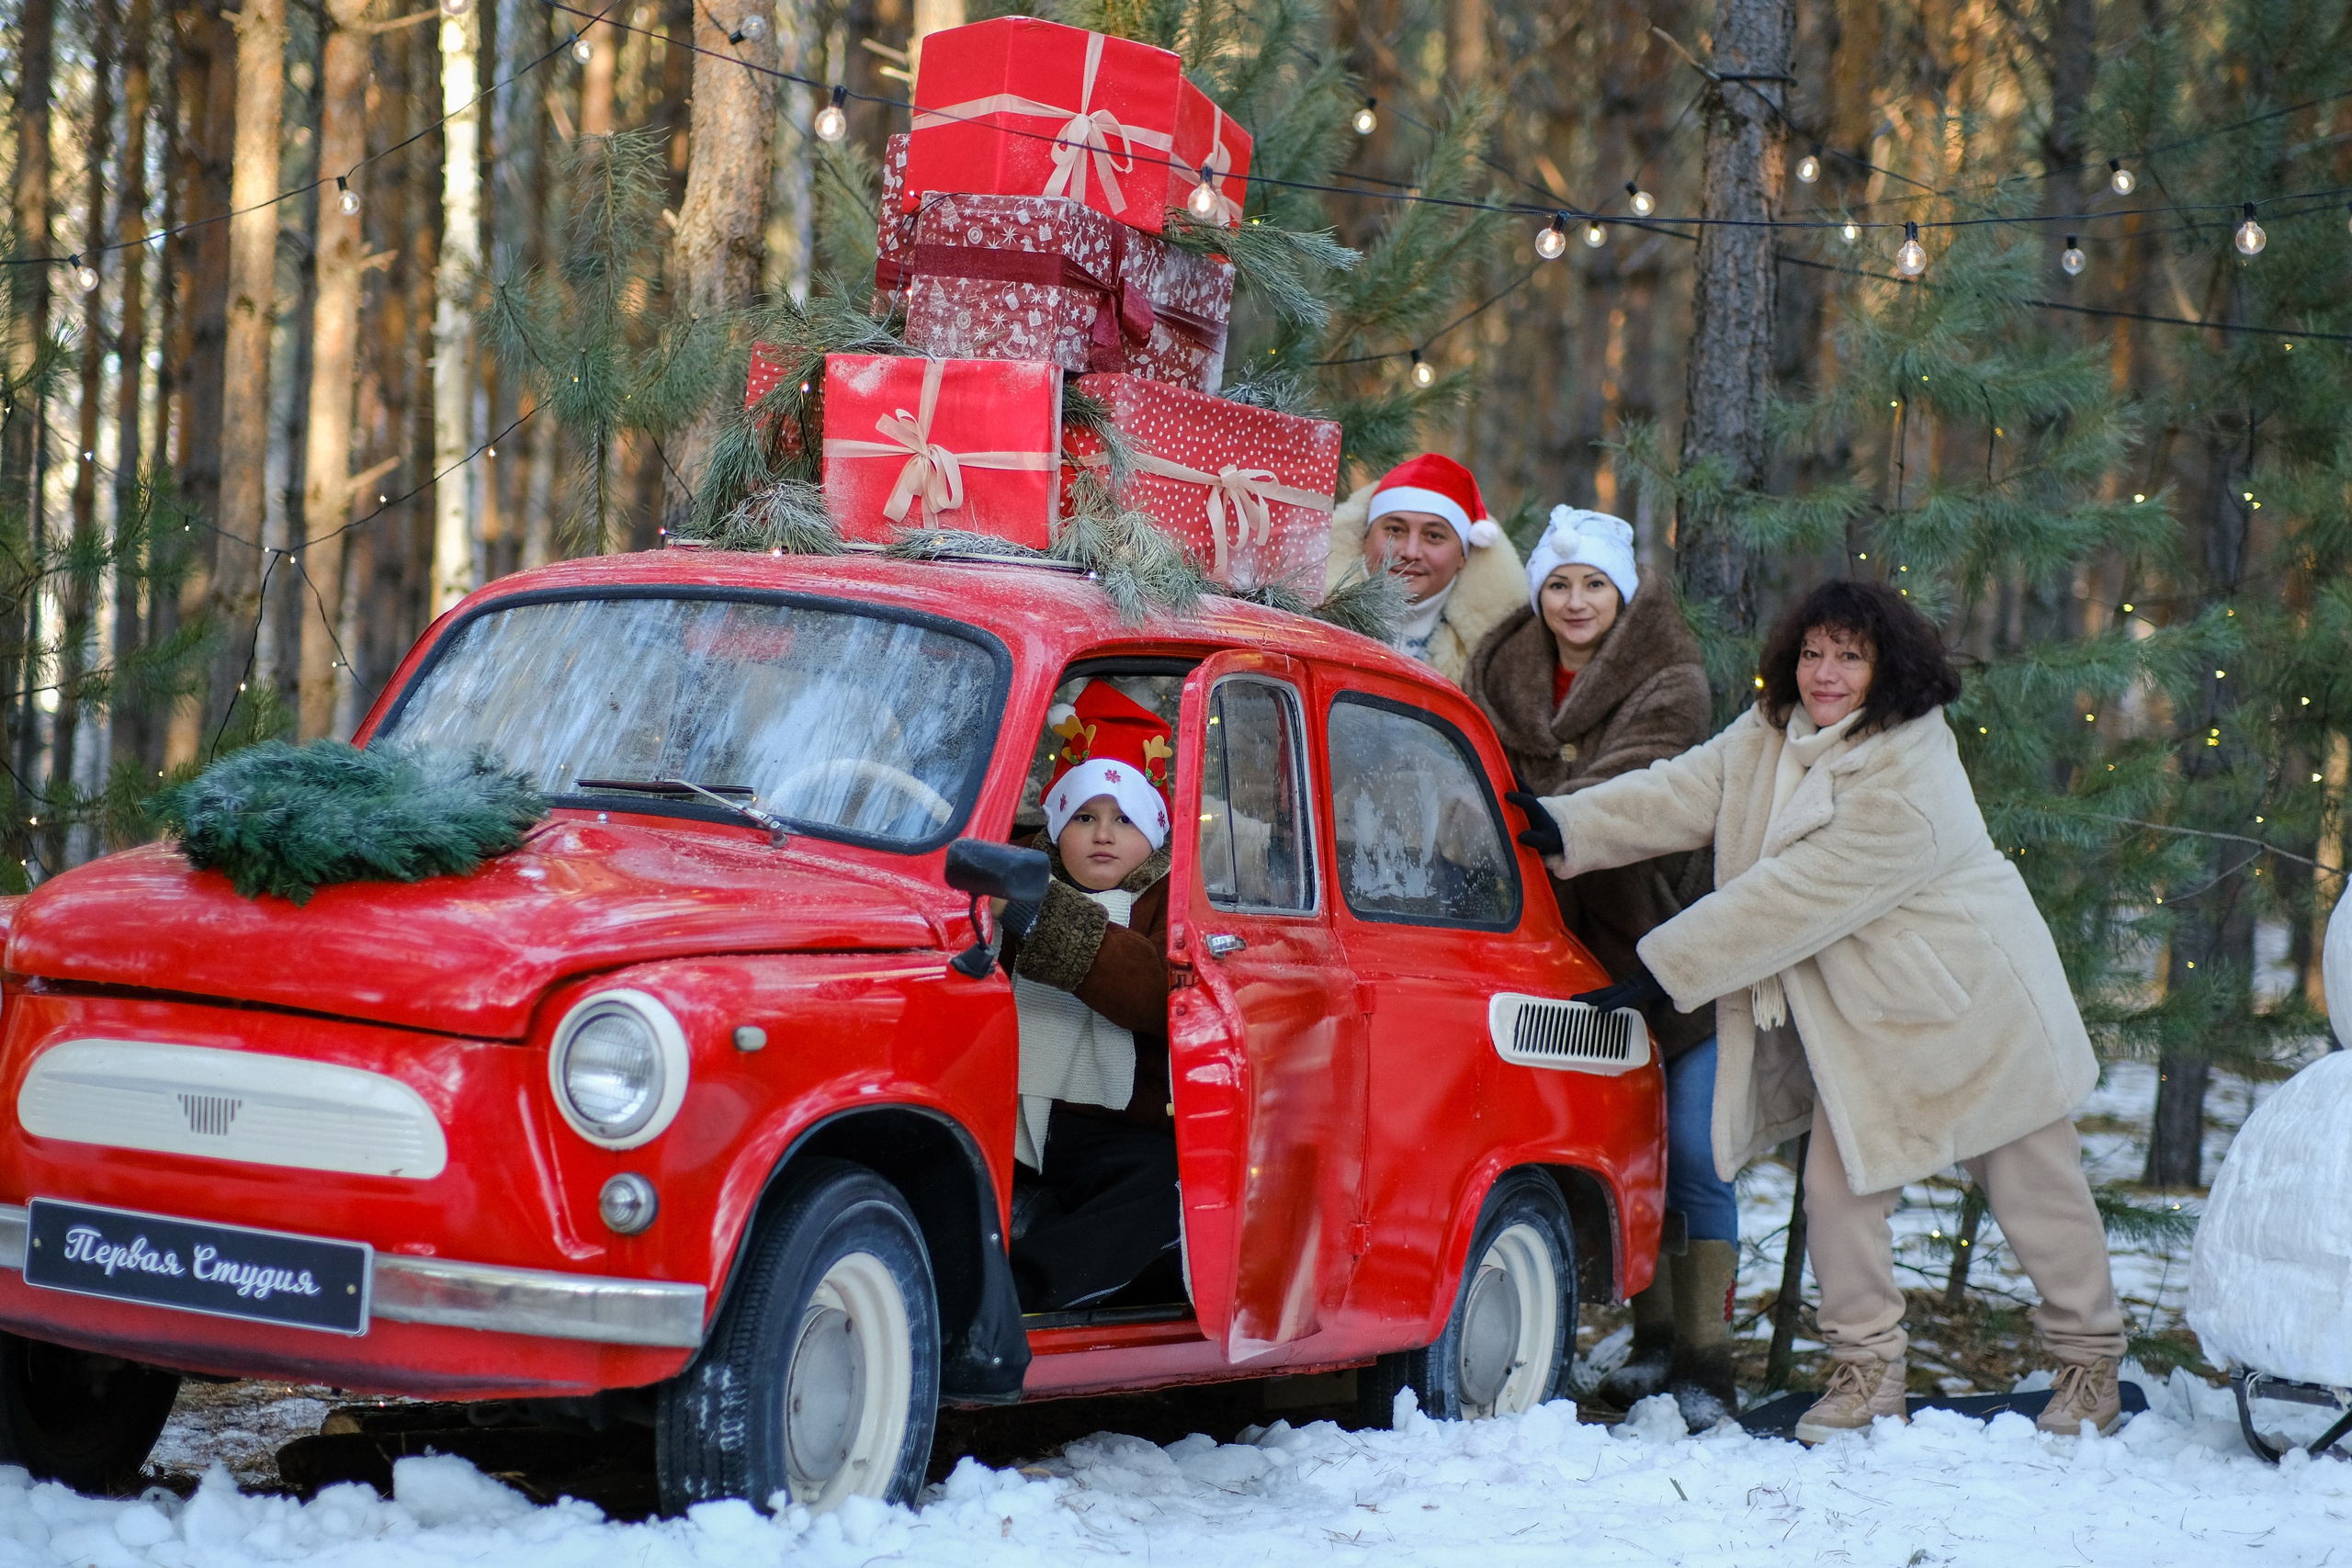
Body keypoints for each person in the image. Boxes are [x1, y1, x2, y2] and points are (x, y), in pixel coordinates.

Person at [1511, 580, 2127, 1442]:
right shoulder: (1772, 733)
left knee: (2035, 1190)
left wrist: (1662, 970)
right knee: (1837, 1193)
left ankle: (2090, 1366)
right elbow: (1680, 791)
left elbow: (1795, 896)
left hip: (1976, 1007)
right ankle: (1868, 1369)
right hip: (1869, 1025)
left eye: (1849, 655)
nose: (1824, 673)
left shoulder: (1912, 762)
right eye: (1812, 652)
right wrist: (1561, 825)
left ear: (1888, 667)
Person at [1463, 506, 1729, 1426]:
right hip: (1558, 956)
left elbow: (1629, 795)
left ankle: (1707, 1360)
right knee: (1622, 1148)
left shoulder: (1672, 682)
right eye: (1559, 584)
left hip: (1668, 950)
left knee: (1694, 1153)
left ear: (1624, 593)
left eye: (1594, 585)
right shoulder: (1498, 673)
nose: (1575, 602)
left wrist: (1514, 813)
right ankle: (1653, 1346)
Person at [997, 681, 1182, 1313]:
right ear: (1057, 825)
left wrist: (1039, 917)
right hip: (1019, 1110)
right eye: (1084, 816)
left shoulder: (1166, 899)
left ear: (1152, 829)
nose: (1103, 835)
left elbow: (1153, 987)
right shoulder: (1019, 875)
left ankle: (1026, 1295)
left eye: (1123, 818)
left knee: (1159, 1186)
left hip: (1117, 1129)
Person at [1322, 454, 1523, 682]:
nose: (1410, 551)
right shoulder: (1307, 616)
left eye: (1434, 536)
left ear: (1463, 555)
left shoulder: (1495, 663)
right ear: (1365, 536)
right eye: (1395, 530)